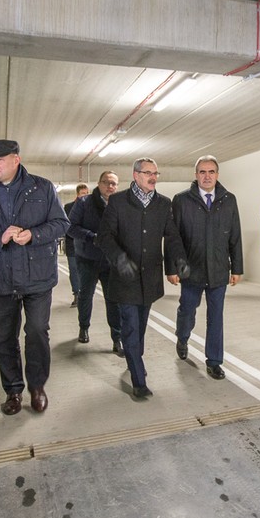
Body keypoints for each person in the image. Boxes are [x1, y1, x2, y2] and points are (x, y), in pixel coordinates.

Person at [0, 139, 69, 415]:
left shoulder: (42, 187)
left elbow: (61, 224)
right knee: (5, 337)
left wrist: (34, 234)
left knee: (37, 332)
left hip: (38, 275)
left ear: (16, 160)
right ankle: (13, 390)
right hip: (1, 277)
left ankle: (37, 386)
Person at [97, 158, 188, 398]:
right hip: (125, 277)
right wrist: (119, 259)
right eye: (148, 173)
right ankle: (139, 380)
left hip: (150, 278)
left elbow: (172, 236)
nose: (153, 177)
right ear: (136, 175)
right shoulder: (118, 202)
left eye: (155, 173)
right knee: (130, 325)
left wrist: (179, 259)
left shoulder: (163, 204)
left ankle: (133, 357)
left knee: (140, 325)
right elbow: (104, 237)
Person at [170, 156, 243, 380]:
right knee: (187, 310)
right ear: (196, 175)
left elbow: (235, 236)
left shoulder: (229, 200)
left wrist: (237, 268)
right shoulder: (182, 200)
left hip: (219, 269)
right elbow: (174, 238)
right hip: (191, 270)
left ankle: (214, 361)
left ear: (217, 175)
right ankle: (182, 337)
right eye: (202, 172)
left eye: (211, 172)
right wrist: (173, 268)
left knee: (216, 317)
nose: (207, 176)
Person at [67, 171, 122, 350]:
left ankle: (117, 338)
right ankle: (84, 327)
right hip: (87, 258)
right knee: (86, 295)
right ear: (99, 184)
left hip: (110, 260)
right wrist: (92, 237)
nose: (110, 186)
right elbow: (70, 227)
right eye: (106, 182)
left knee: (113, 299)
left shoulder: (120, 204)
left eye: (113, 183)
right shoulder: (84, 203)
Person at [64, 183, 89, 308]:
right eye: (83, 193)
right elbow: (66, 226)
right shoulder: (68, 207)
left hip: (86, 245)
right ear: (77, 194)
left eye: (87, 193)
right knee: (74, 270)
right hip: (72, 244)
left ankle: (85, 295)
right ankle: (77, 295)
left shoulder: (91, 207)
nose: (85, 195)